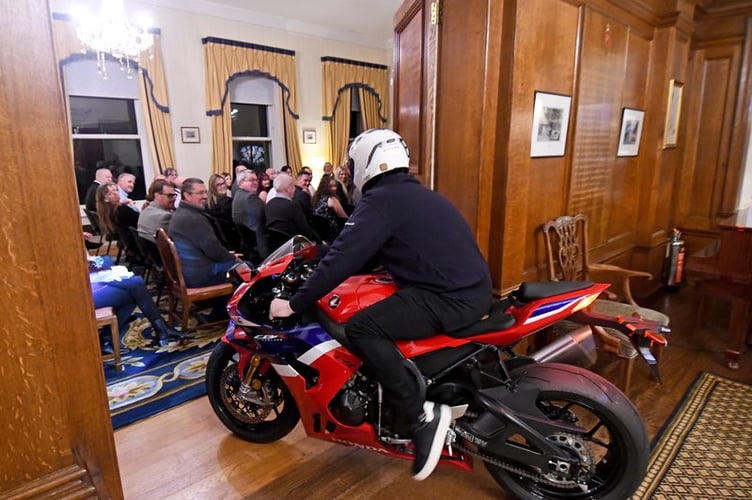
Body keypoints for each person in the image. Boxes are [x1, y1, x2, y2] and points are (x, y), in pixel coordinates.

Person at [269, 129, 492, 481]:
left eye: (353, 164)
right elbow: (362, 249)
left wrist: (295, 303)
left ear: (368, 163)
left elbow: (344, 257)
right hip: (471, 289)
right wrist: (321, 256)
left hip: (449, 298)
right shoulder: (410, 194)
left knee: (361, 327)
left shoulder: (382, 201)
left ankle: (421, 416)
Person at [89, 253, 188, 348]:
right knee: (135, 288)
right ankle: (162, 329)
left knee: (134, 288)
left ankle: (107, 337)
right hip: (81, 295)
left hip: (86, 283)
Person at [168, 177, 241, 288]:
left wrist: (227, 255)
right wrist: (232, 258)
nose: (205, 196)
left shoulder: (180, 213)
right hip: (200, 275)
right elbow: (212, 249)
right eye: (201, 193)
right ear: (187, 195)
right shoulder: (193, 218)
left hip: (188, 271)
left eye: (205, 192)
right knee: (244, 267)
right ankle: (231, 305)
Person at [265, 173, 321, 243]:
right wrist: (320, 241)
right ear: (287, 189)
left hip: (276, 247)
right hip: (294, 245)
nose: (295, 189)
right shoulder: (292, 206)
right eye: (293, 186)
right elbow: (306, 230)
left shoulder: (269, 204)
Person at [312, 176, 348, 241]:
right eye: (331, 186)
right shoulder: (332, 199)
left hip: (320, 235)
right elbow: (344, 218)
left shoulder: (316, 198)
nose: (335, 188)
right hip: (333, 235)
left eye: (335, 186)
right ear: (325, 188)